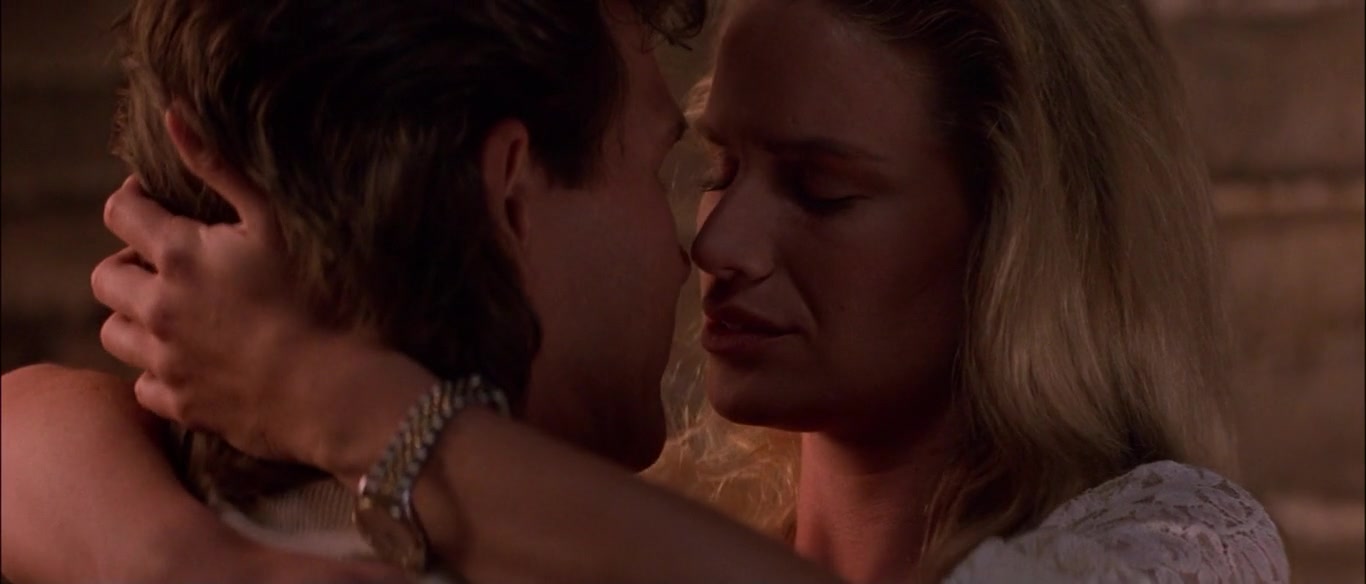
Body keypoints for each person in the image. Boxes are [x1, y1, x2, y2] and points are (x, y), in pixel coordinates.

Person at [4, 0, 1292, 583]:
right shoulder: (581, 524)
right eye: (708, 165)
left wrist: (347, 400)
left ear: (1015, 233)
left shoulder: (1170, 549)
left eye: (822, 188)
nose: (716, 241)